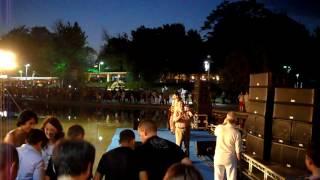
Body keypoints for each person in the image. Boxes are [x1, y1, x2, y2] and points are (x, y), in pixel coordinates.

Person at [214, 111, 242, 180]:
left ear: (226, 119)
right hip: (229, 159)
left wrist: (224, 123)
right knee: (231, 178)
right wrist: (239, 162)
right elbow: (238, 152)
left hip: (218, 157)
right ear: (236, 120)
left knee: (218, 178)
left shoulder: (219, 128)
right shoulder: (237, 133)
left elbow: (216, 133)